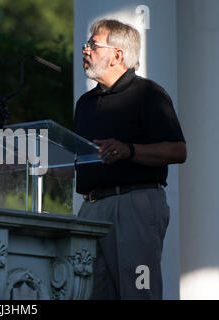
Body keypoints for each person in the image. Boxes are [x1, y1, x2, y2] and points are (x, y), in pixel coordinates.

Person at [74, 19, 186, 299]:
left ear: (117, 55)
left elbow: (178, 151)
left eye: (93, 45)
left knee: (139, 290)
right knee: (89, 293)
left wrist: (130, 150)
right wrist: (42, 161)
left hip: (134, 207)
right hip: (90, 209)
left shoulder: (148, 94)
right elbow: (81, 159)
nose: (85, 50)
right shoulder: (84, 104)